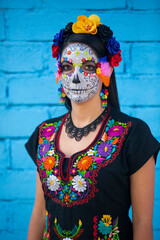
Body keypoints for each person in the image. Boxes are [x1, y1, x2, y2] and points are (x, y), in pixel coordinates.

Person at [25, 14, 160, 240]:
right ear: (59, 72)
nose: (75, 78)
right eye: (67, 67)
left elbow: (143, 222)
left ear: (106, 71)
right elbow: (39, 214)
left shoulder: (133, 133)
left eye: (88, 66)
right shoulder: (44, 133)